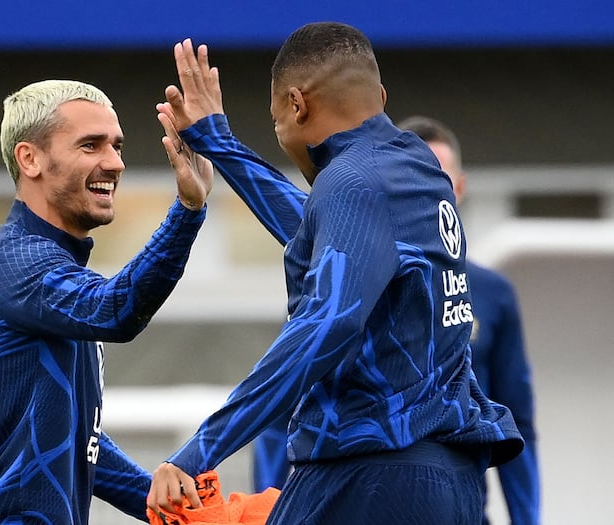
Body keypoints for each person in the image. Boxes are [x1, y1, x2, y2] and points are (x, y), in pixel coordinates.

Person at [147, 23, 524, 525]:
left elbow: (326, 323)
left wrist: (198, 453)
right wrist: (219, 142)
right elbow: (323, 235)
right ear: (381, 96)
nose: (280, 134)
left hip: (369, 477)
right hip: (450, 483)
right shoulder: (417, 168)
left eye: (276, 117)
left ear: (297, 105)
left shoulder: (351, 181)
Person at [0, 79, 213, 525]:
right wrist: (187, 210)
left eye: (117, 146)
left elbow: (75, 440)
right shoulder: (19, 261)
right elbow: (116, 310)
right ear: (30, 159)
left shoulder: (49, 270)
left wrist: (175, 510)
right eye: (91, 146)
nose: (115, 163)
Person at [398, 115, 540, 524]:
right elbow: (285, 418)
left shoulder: (493, 294)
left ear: (459, 189)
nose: (427, 193)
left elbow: (519, 423)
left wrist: (527, 518)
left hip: (464, 510)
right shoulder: (354, 282)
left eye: (439, 179)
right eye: (415, 179)